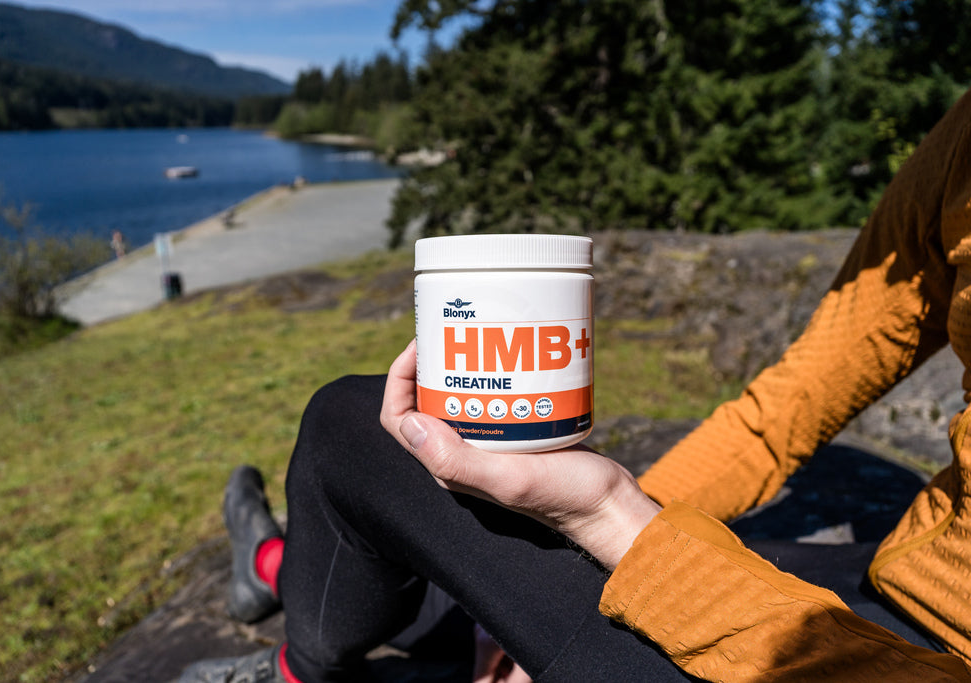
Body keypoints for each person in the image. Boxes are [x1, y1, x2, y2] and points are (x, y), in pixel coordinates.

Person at [179, 88, 971, 682]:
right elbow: (784, 410)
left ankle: (292, 652)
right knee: (477, 556)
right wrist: (605, 555)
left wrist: (613, 518)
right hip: (892, 588)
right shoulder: (961, 145)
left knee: (347, 426)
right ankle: (277, 566)